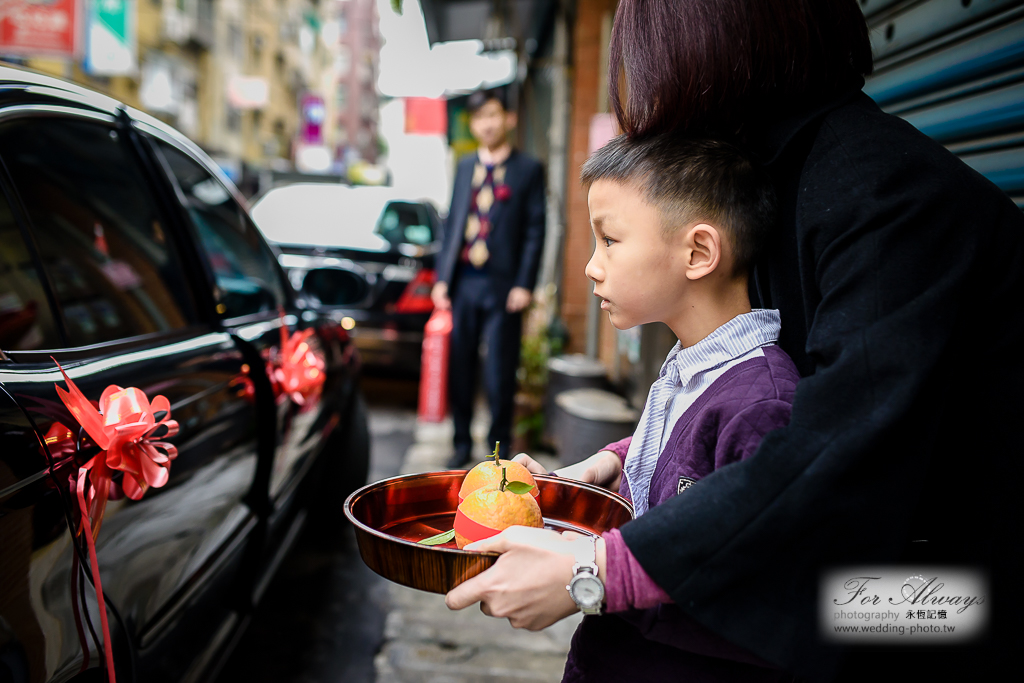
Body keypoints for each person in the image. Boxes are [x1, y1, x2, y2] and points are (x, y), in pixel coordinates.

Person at [445, 1, 1024, 681]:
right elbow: (748, 398)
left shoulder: (880, 190)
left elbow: (831, 453)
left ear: (712, 46)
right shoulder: (779, 181)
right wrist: (624, 458)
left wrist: (593, 571)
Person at [431, 88, 546, 468]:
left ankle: (496, 452)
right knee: (460, 364)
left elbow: (535, 229)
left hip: (503, 287)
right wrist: (443, 279)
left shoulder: (528, 169)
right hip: (464, 281)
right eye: (480, 118)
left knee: (499, 371)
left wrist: (524, 284)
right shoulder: (464, 166)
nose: (488, 124)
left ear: (509, 119)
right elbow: (453, 224)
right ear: (474, 124)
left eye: (494, 115)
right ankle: (460, 442)